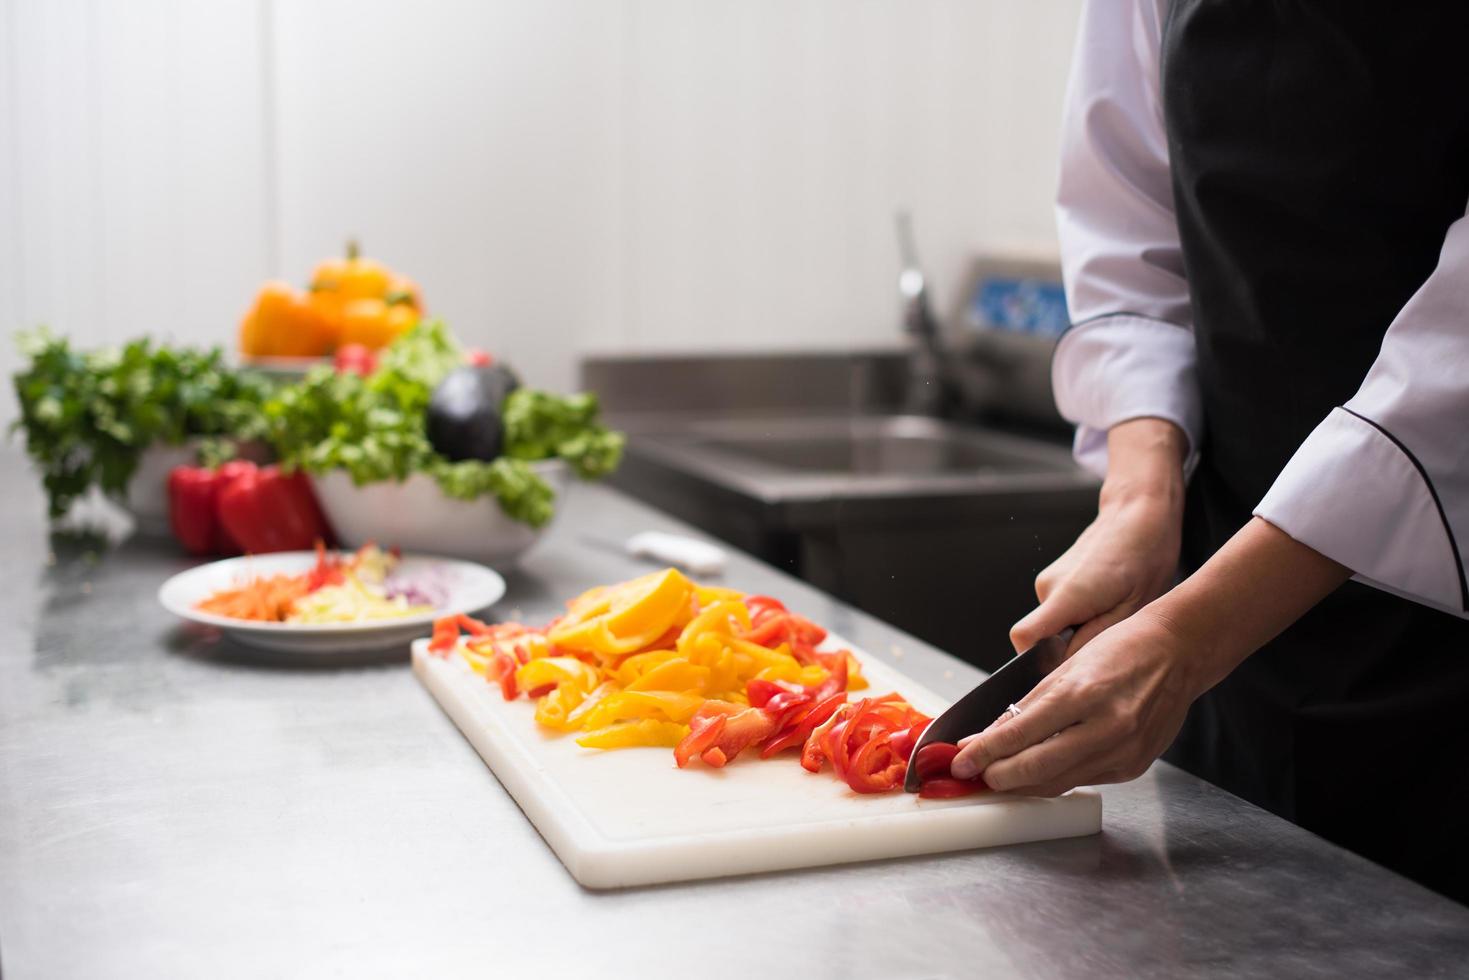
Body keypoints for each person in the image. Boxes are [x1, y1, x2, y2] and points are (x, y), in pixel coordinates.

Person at [950, 0, 1469, 904]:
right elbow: (1127, 217)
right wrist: (1139, 498)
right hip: (1225, 615)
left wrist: (1191, 639)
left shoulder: (1190, 643)